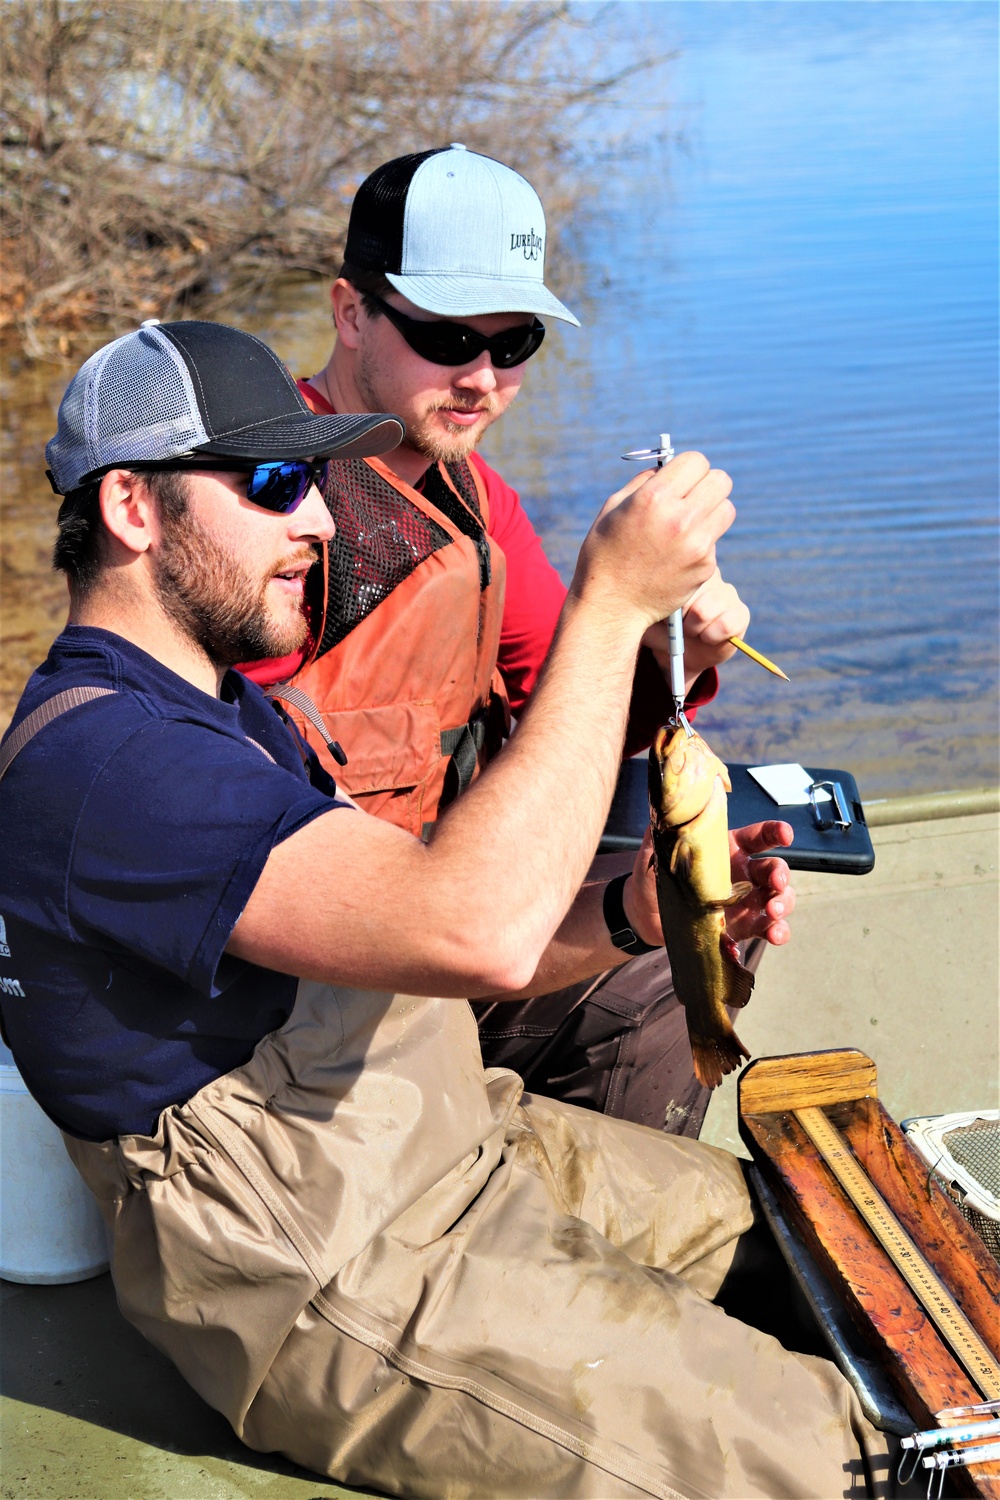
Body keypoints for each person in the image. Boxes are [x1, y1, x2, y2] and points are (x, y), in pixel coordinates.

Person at [0, 320, 886, 1499]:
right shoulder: (105, 761)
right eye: (274, 483)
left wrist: (634, 910)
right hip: (330, 1269)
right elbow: (472, 926)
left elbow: (439, 951)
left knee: (833, 1256)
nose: (319, 522)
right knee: (850, 1460)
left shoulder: (220, 709)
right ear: (131, 509)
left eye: (314, 482)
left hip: (448, 1138)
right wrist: (609, 609)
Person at [242, 144, 784, 1138]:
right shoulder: (264, 504)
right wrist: (614, 597)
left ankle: (563, 1196)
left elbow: (568, 727)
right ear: (350, 310)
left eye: (516, 341)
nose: (484, 380)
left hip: (443, 917)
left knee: (705, 908)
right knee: (658, 974)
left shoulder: (477, 500)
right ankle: (533, 1217)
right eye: (448, 335)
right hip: (312, 987)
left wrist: (683, 653)